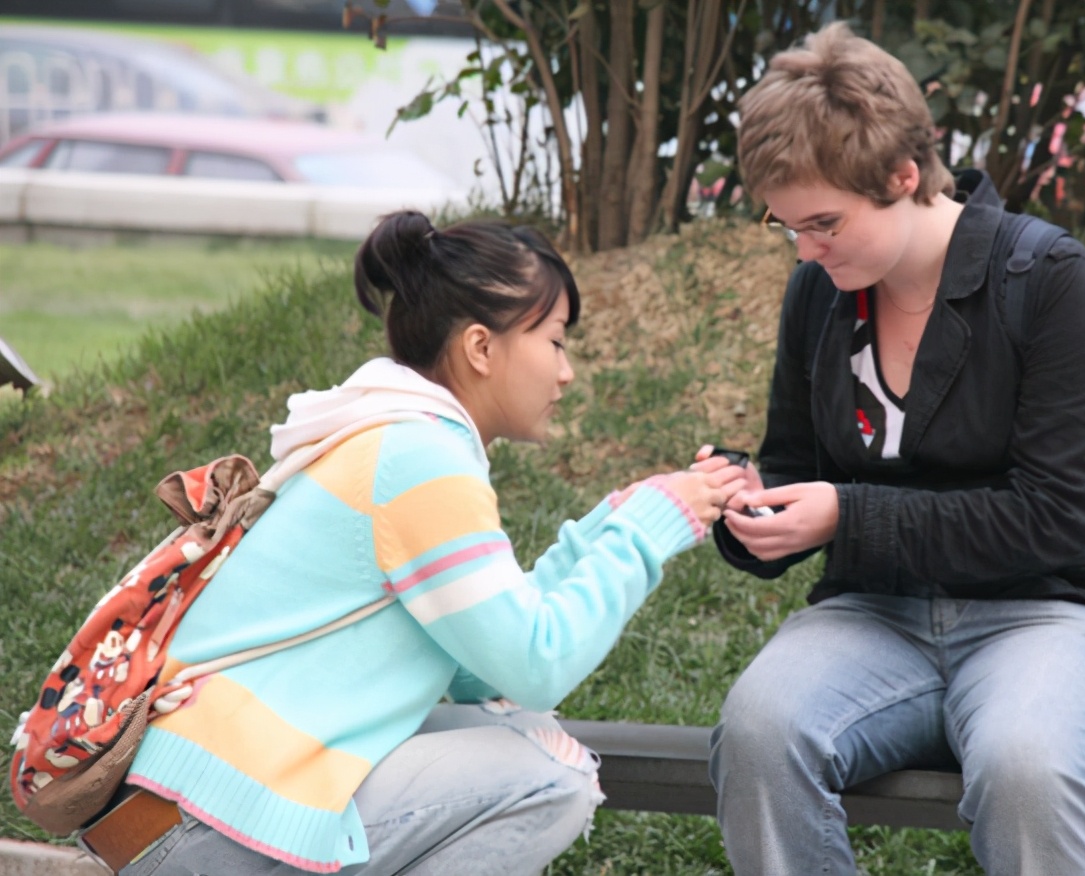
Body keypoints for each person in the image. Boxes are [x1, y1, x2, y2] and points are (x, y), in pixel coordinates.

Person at [99, 211, 744, 875]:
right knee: (551, 780)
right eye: (554, 341)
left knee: (519, 735)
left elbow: (486, 673)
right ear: (481, 348)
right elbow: (537, 665)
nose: (567, 372)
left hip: (179, 813)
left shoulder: (389, 434)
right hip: (201, 827)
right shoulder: (420, 458)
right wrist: (642, 535)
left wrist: (609, 528)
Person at [694, 22, 1085, 876]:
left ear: (903, 176)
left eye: (824, 223)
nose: (804, 249)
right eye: (785, 225)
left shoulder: (1050, 280)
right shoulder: (819, 293)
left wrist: (844, 516)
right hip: (878, 613)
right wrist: (750, 504)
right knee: (759, 731)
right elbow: (798, 466)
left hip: (1062, 611)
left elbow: (1054, 517)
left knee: (1026, 766)